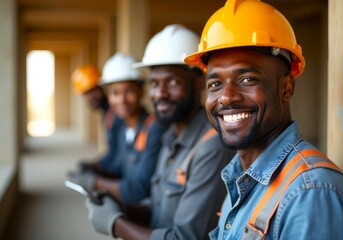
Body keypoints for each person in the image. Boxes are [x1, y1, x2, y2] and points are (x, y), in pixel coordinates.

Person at [184, 0, 343, 239]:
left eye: (247, 79)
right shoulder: (241, 177)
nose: (226, 98)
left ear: (286, 88)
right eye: (215, 84)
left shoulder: (311, 193)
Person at [85, 24, 235, 239]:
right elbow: (159, 212)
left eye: (173, 82)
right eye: (155, 83)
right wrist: (121, 209)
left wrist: (116, 224)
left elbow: (184, 237)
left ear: (200, 83)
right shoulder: (169, 138)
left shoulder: (212, 147)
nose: (160, 94)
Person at [69, 52, 168, 205]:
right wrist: (94, 169)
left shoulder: (154, 128)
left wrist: (95, 182)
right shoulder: (124, 129)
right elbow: (118, 166)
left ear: (141, 91)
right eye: (115, 93)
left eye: (128, 91)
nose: (122, 100)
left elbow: (138, 190)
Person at [71, 64, 122, 177]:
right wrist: (95, 164)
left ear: (102, 88)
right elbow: (113, 151)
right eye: (86, 94)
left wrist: (98, 169)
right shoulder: (107, 113)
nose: (90, 98)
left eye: (93, 91)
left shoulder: (117, 114)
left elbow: (119, 156)